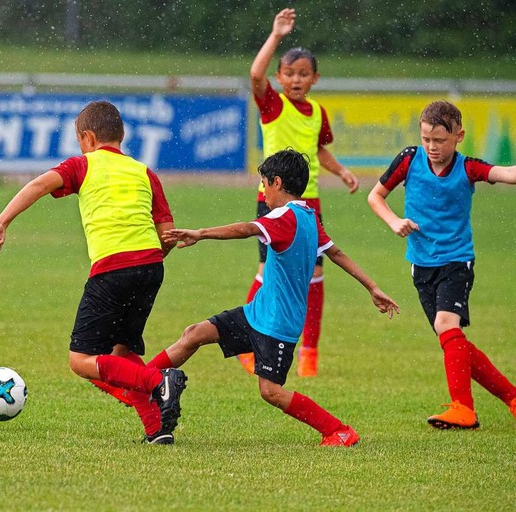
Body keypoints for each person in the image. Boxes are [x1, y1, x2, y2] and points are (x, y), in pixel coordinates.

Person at [146, 148, 399, 446]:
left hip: (277, 325)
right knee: (194, 334)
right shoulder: (308, 215)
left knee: (271, 392)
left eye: (264, 183)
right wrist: (372, 286)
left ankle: (337, 430)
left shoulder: (284, 217)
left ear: (277, 182)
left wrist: (200, 233)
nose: (263, 191)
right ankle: (140, 381)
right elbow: (337, 253)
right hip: (258, 313)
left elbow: (246, 228)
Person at [0, 100, 187, 444]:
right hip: (151, 267)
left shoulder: (83, 164)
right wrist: (149, 259)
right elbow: (167, 233)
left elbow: (38, 185)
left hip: (113, 269)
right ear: (121, 136)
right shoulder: (144, 171)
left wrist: (2, 222)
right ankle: (156, 428)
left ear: (88, 137)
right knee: (121, 354)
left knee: (81, 360)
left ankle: (158, 382)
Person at [368, 100, 516, 429]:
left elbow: (504, 173)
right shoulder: (409, 159)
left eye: (440, 140)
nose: (432, 147)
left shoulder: (467, 168)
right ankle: (512, 398)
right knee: (452, 341)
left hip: (456, 262)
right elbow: (375, 196)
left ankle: (463, 409)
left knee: (447, 327)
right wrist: (394, 222)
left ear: (459, 136)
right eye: (426, 139)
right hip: (420, 266)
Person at [238, 7, 360, 378]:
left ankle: (310, 353)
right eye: (289, 73)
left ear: (314, 78)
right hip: (272, 200)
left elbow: (318, 148)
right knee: (267, 269)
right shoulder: (274, 105)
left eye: (303, 74)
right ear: (280, 76)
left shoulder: (317, 112)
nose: (295, 79)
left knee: (315, 274)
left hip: (309, 205)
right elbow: (255, 74)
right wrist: (276, 35)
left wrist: (340, 171)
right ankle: (245, 343)